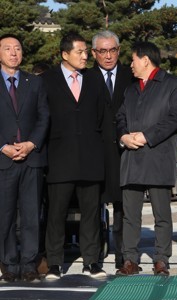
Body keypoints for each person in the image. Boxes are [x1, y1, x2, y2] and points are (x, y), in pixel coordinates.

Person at [115, 41, 177, 276]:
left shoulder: (172, 84)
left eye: (133, 59)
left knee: (161, 215)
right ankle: (130, 260)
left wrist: (146, 136)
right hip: (131, 157)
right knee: (130, 216)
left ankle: (161, 259)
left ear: (145, 59)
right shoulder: (131, 88)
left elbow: (175, 117)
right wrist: (124, 136)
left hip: (158, 156)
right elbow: (121, 116)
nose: (130, 65)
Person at [42, 33, 107, 279]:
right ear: (64, 54)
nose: (85, 56)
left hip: (90, 156)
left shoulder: (94, 79)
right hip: (59, 157)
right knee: (56, 213)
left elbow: (101, 116)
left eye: (86, 51)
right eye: (79, 51)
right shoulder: (46, 80)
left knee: (91, 212)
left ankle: (91, 261)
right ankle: (55, 263)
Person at [0, 34, 50, 282]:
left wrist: (31, 144)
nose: (13, 53)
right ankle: (9, 262)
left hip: (31, 158)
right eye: (7, 48)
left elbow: (44, 116)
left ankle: (29, 262)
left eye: (17, 48)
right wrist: (2, 146)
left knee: (31, 214)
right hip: (3, 159)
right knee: (5, 214)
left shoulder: (34, 82)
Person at [91, 30, 135, 269]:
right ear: (93, 53)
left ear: (119, 51)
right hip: (95, 152)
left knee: (122, 207)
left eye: (112, 50)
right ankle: (95, 254)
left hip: (124, 151)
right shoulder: (86, 77)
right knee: (93, 206)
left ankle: (123, 255)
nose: (108, 56)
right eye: (102, 51)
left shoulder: (131, 75)